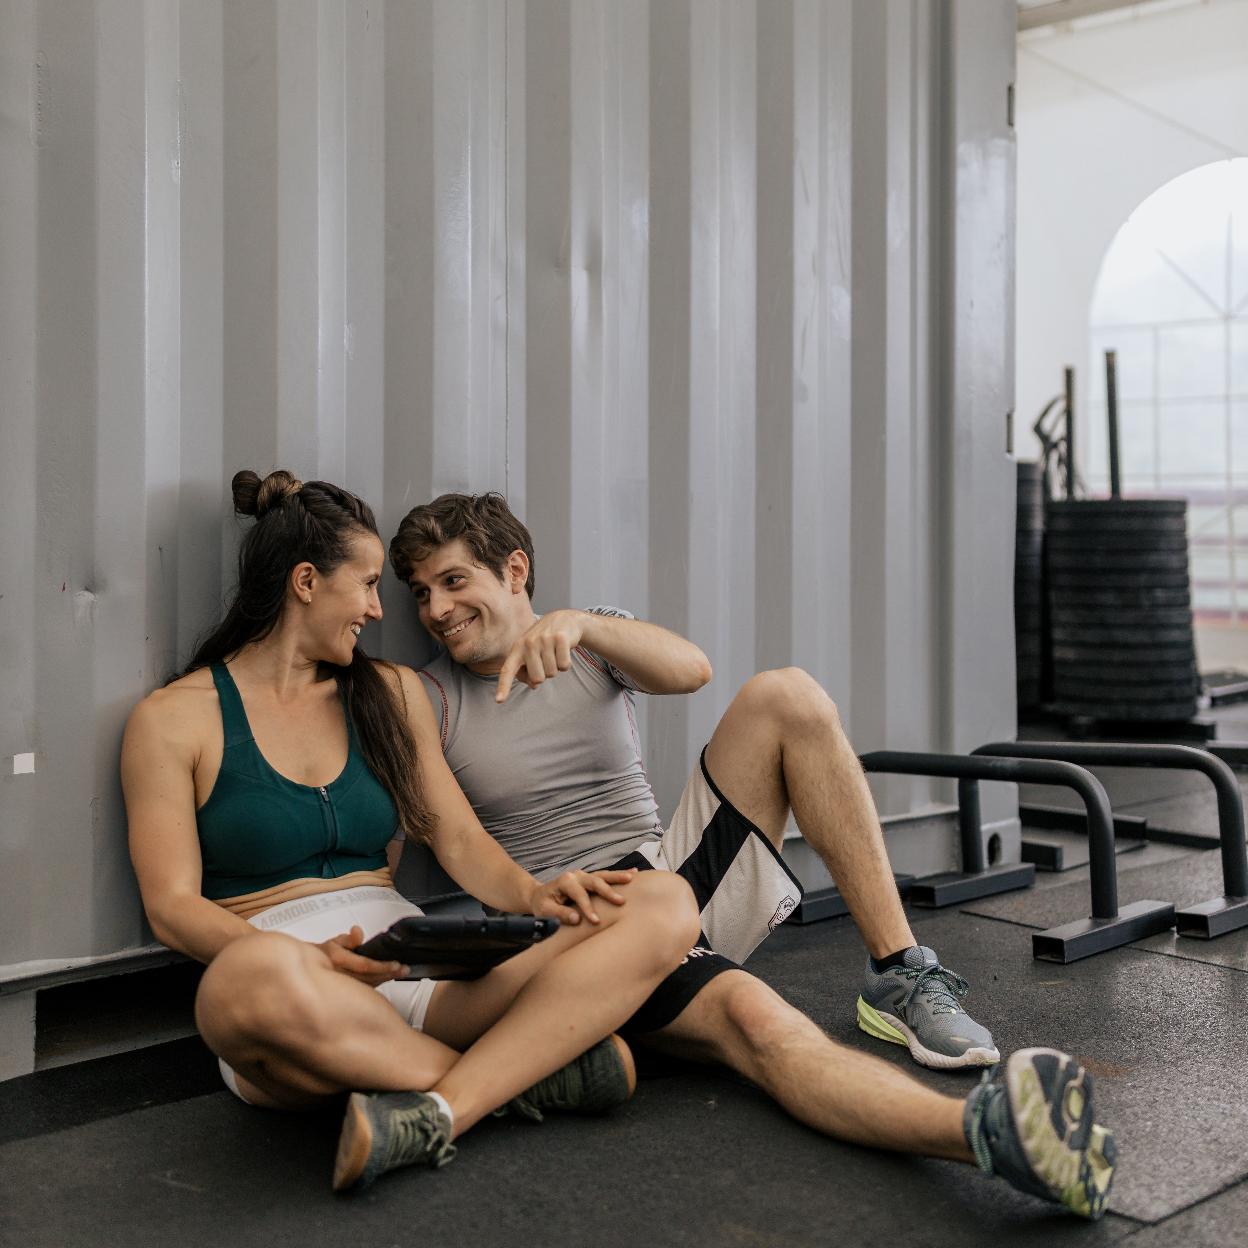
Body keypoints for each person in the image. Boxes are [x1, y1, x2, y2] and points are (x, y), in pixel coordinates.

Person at [385, 491, 1119, 1219]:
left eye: (454, 581)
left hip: (667, 878)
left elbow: (691, 669)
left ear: (514, 571)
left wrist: (581, 625)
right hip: (576, 932)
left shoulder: (588, 643)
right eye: (421, 593)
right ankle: (990, 1133)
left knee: (788, 695)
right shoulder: (430, 697)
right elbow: (455, 841)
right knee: (759, 1024)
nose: (436, 610)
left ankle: (898, 974)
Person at [121, 470, 701, 1194]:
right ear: (305, 582)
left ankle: (442, 1110)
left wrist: (536, 893)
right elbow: (172, 907)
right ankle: (522, 1078)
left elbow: (455, 839)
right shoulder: (173, 719)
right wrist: (312, 959)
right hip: (296, 997)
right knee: (239, 987)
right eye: (366, 586)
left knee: (663, 902)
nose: (376, 609)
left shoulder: (389, 694)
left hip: (421, 982)